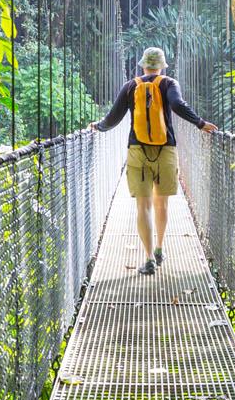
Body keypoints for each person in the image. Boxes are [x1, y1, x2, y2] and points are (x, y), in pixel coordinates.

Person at [89, 47, 217, 275]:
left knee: (143, 205)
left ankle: (148, 258)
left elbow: (114, 117)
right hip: (165, 149)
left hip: (137, 150)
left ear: (142, 65)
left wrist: (98, 127)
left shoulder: (131, 86)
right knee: (162, 203)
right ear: (162, 66)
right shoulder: (169, 83)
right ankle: (159, 248)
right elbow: (177, 105)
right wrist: (199, 123)